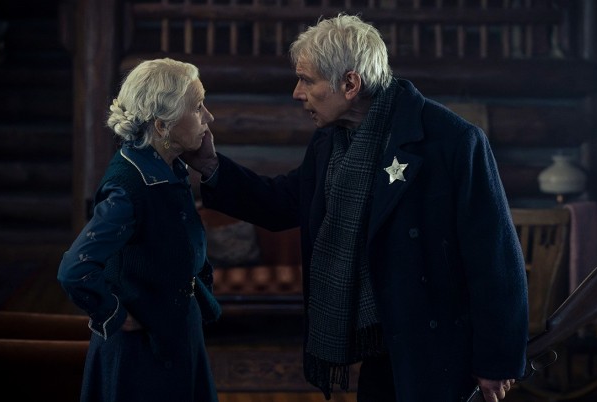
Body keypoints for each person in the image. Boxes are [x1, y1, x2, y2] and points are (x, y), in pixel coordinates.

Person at [185, 13, 528, 402]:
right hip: (378, 343)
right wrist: (210, 165)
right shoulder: (331, 140)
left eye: (307, 80)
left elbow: (494, 258)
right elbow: (282, 203)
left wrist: (496, 361)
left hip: (437, 347)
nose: (297, 93)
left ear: (350, 84)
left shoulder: (452, 141)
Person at [57, 57, 222, 402]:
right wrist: (115, 314)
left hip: (176, 331)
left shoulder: (168, 166)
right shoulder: (128, 186)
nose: (209, 117)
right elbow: (75, 269)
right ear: (162, 126)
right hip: (141, 354)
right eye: (197, 108)